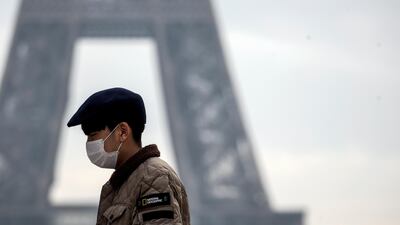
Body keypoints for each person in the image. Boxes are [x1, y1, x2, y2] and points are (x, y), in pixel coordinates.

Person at [67, 87, 190, 225]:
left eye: (93, 135)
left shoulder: (153, 177)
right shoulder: (127, 181)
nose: (89, 143)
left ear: (122, 132)